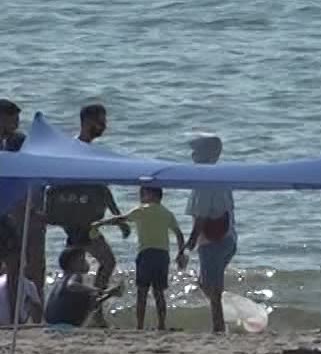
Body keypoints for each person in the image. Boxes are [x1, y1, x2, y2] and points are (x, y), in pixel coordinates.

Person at [42, 103, 126, 322]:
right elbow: (57, 186)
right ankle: (92, 312)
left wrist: (118, 216)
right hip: (78, 222)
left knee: (82, 267)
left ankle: (80, 310)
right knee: (99, 263)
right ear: (87, 121)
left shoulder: (89, 151)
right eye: (100, 121)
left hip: (88, 222)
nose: (104, 126)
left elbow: (101, 187)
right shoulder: (75, 150)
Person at [93, 186, 187, 330]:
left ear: (151, 195)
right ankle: (161, 324)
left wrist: (101, 223)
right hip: (162, 255)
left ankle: (140, 325)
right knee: (159, 292)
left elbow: (120, 219)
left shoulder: (142, 210)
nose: (141, 197)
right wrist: (180, 253)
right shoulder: (167, 213)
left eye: (143, 194)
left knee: (142, 292)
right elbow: (179, 234)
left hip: (146, 254)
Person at [183, 133, 238, 334]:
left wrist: (189, 244)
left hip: (213, 241)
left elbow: (202, 217)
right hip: (228, 238)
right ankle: (221, 321)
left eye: (196, 151)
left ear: (206, 154)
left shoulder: (205, 182)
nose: (192, 155)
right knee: (210, 284)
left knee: (211, 286)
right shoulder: (221, 178)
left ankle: (219, 327)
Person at [2, 100, 47, 322]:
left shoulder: (12, 144)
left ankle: (15, 317)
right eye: (12, 120)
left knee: (17, 264)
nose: (16, 125)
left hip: (10, 214)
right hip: (8, 212)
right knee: (13, 263)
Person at [43, 245, 120, 328]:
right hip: (66, 325)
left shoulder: (61, 280)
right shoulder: (76, 275)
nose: (86, 262)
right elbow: (71, 285)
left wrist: (109, 294)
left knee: (88, 296)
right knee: (88, 293)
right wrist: (99, 290)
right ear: (72, 264)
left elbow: (92, 305)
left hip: (51, 324)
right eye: (82, 260)